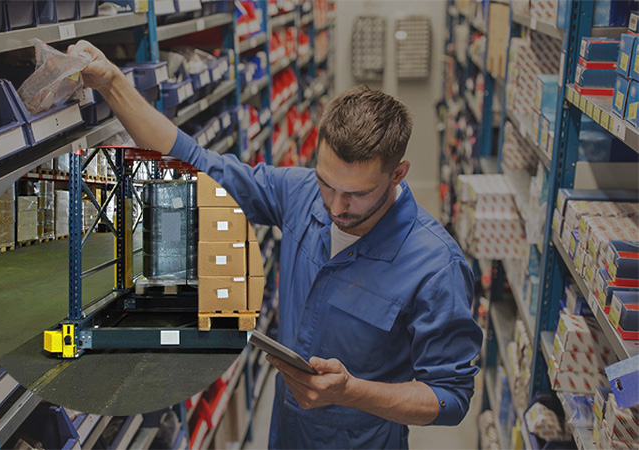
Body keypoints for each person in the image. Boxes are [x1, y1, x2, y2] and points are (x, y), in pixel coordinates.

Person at [68, 40, 483, 449]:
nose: (336, 206)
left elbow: (450, 396)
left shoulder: (435, 265)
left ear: (398, 174)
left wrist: (351, 392)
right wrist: (112, 84)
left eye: (356, 194)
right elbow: (195, 161)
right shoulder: (300, 193)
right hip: (287, 431)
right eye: (326, 182)